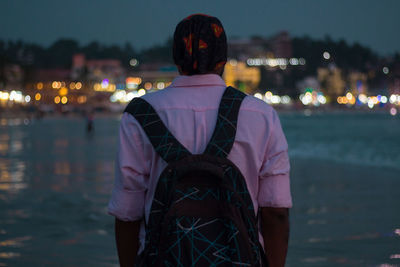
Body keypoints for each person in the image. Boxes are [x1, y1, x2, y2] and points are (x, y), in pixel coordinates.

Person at [108, 14, 292, 267]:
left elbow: (127, 215)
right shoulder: (262, 115)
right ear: (224, 60)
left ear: (176, 58)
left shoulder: (139, 115)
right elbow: (276, 213)